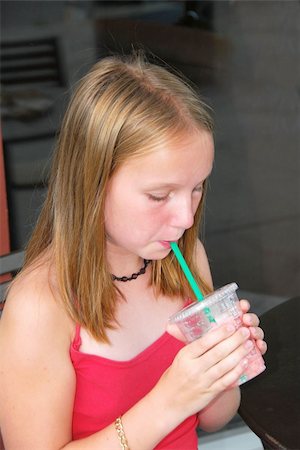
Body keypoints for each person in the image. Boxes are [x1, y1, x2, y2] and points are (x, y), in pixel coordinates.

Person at [0, 52, 267, 449]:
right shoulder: (41, 306)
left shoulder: (185, 260)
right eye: (160, 195)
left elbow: (215, 418)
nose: (186, 219)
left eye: (197, 188)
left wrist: (223, 366)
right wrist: (169, 400)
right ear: (92, 183)